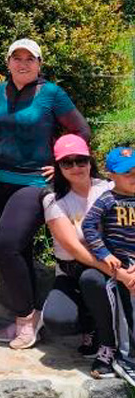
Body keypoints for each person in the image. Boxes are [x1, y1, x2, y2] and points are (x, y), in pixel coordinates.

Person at [0, 38, 90, 350]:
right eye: (16, 58)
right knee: (19, 251)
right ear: (8, 63)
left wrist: (60, 166)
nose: (23, 64)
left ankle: (25, 321)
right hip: (0, 182)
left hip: (34, 184)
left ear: (39, 63)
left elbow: (81, 131)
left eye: (29, 59)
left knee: (5, 245)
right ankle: (30, 316)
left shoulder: (51, 94)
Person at [41, 135, 133, 379]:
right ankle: (91, 323)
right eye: (67, 162)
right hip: (75, 269)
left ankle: (108, 344)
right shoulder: (54, 199)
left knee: (92, 279)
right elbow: (74, 248)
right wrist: (120, 275)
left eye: (80, 160)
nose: (75, 167)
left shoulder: (109, 188)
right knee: (59, 320)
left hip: (110, 265)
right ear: (58, 167)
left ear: (90, 160)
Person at [81, 146, 135, 380]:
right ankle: (123, 355)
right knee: (124, 309)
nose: (133, 177)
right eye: (127, 173)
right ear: (111, 175)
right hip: (119, 263)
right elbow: (88, 226)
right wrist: (104, 254)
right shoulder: (107, 199)